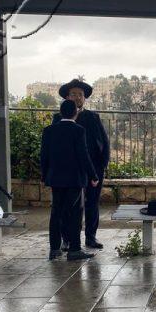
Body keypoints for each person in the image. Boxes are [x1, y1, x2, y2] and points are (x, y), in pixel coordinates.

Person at [52, 79, 110, 250]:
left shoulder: (93, 117)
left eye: (80, 95)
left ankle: (91, 237)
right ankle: (67, 239)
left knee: (92, 203)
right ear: (67, 98)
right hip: (69, 170)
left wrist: (102, 165)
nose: (77, 97)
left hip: (93, 168)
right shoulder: (58, 118)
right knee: (66, 206)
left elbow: (104, 142)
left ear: (84, 98)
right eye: (73, 94)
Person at [41, 100, 99, 261]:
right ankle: (74, 249)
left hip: (55, 179)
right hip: (74, 179)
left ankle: (54, 249)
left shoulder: (49, 130)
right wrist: (93, 176)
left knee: (56, 213)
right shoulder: (78, 130)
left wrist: (44, 176)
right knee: (74, 213)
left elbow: (43, 156)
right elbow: (83, 155)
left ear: (60, 112)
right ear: (76, 113)